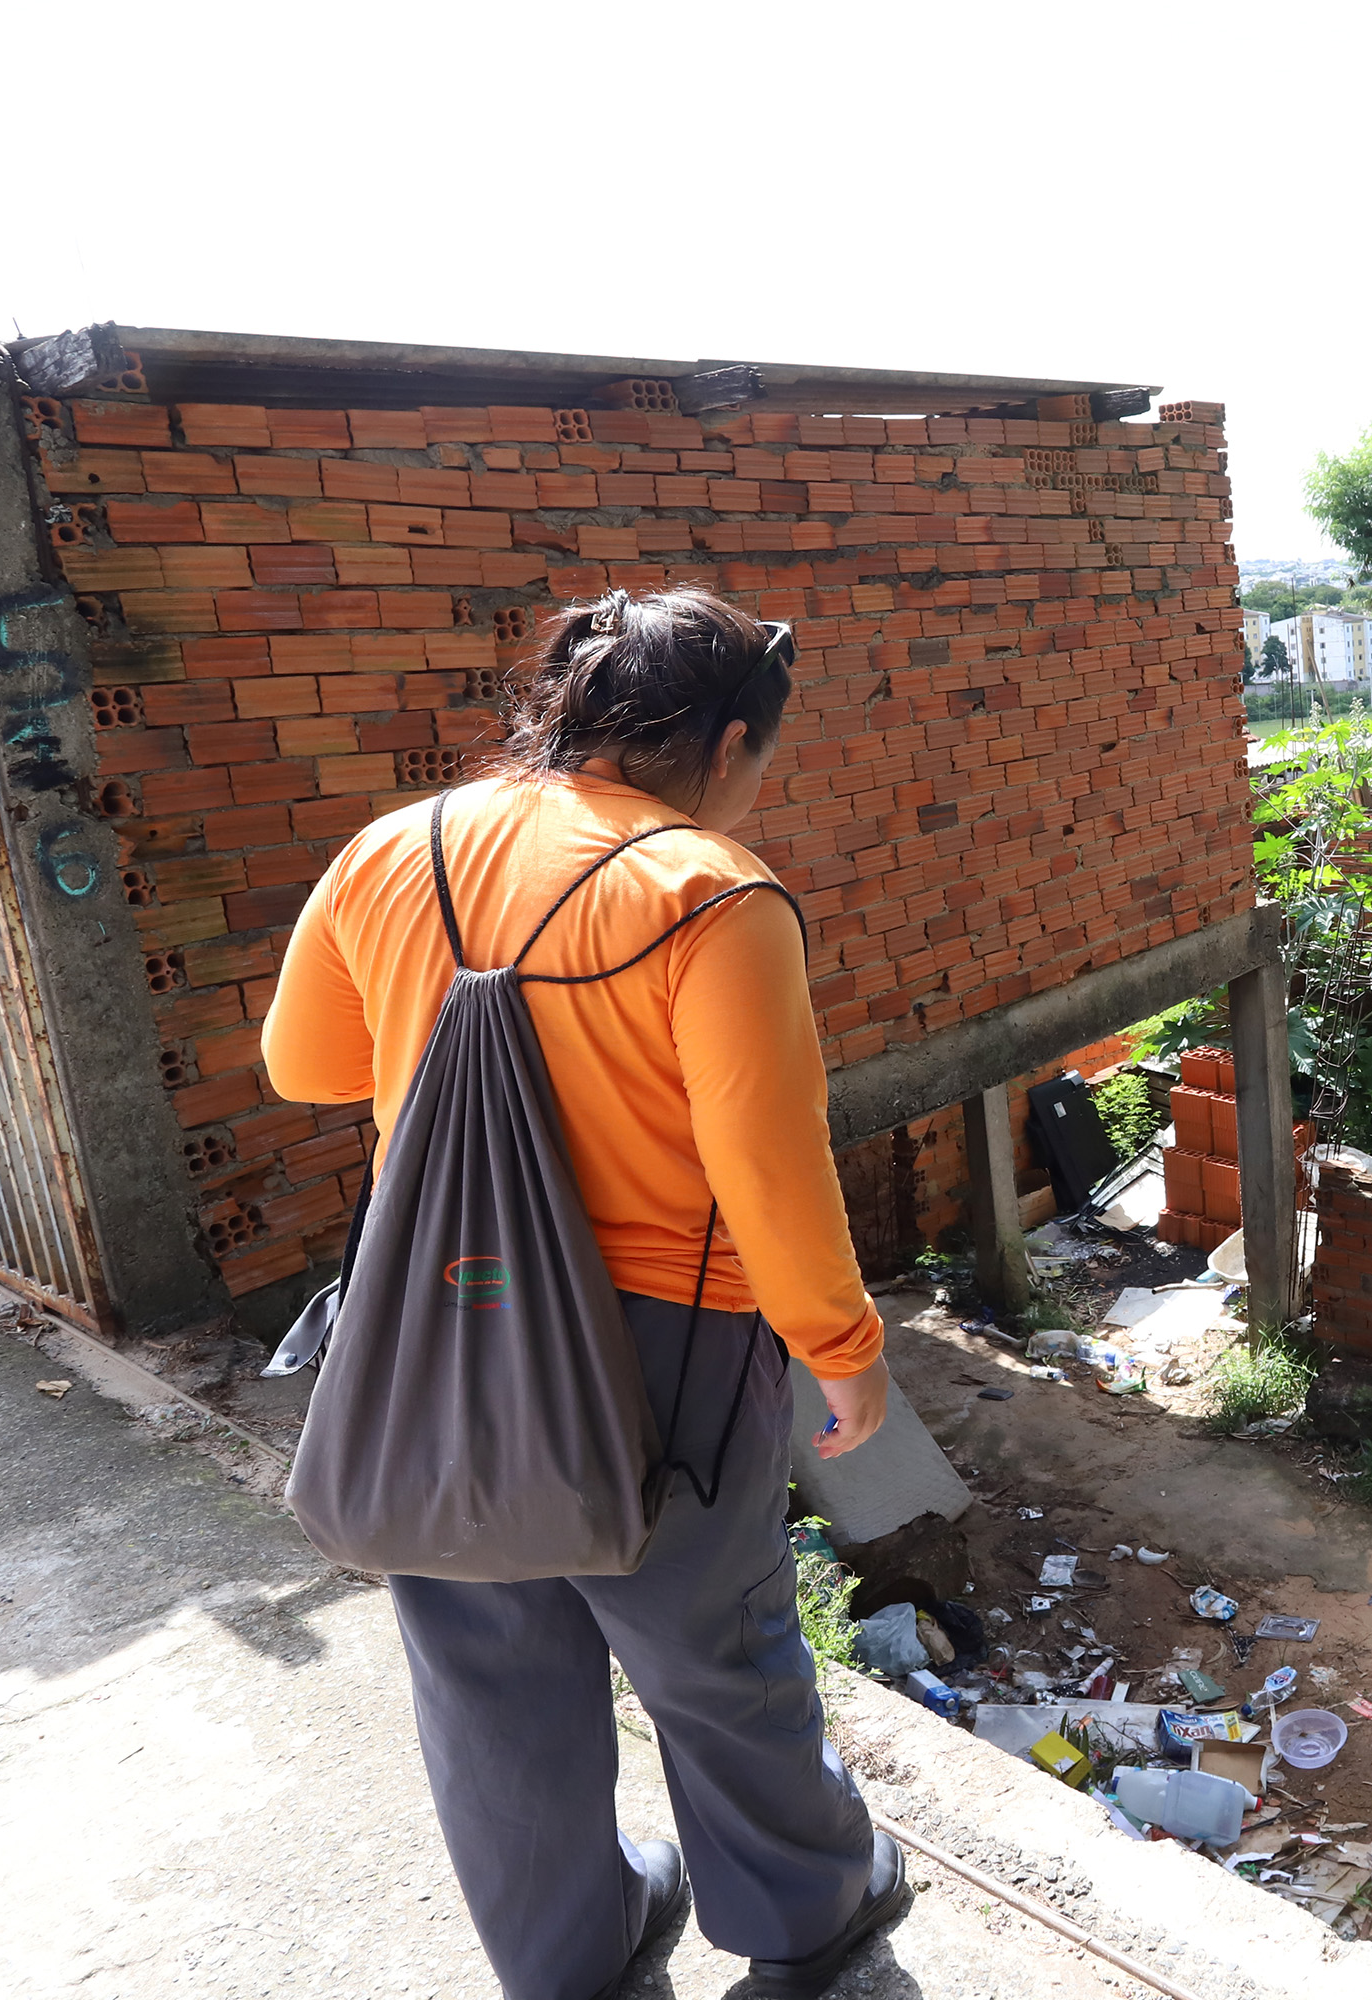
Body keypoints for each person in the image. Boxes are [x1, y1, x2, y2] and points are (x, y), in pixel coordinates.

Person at [265, 587, 910, 2000]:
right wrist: (843, 1353)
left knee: (486, 1668)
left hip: (433, 1312)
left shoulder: (391, 846)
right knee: (711, 1651)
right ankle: (804, 1916)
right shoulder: (707, 891)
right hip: (664, 1340)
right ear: (734, 743)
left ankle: (572, 1954)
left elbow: (304, 1065)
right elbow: (766, 1166)